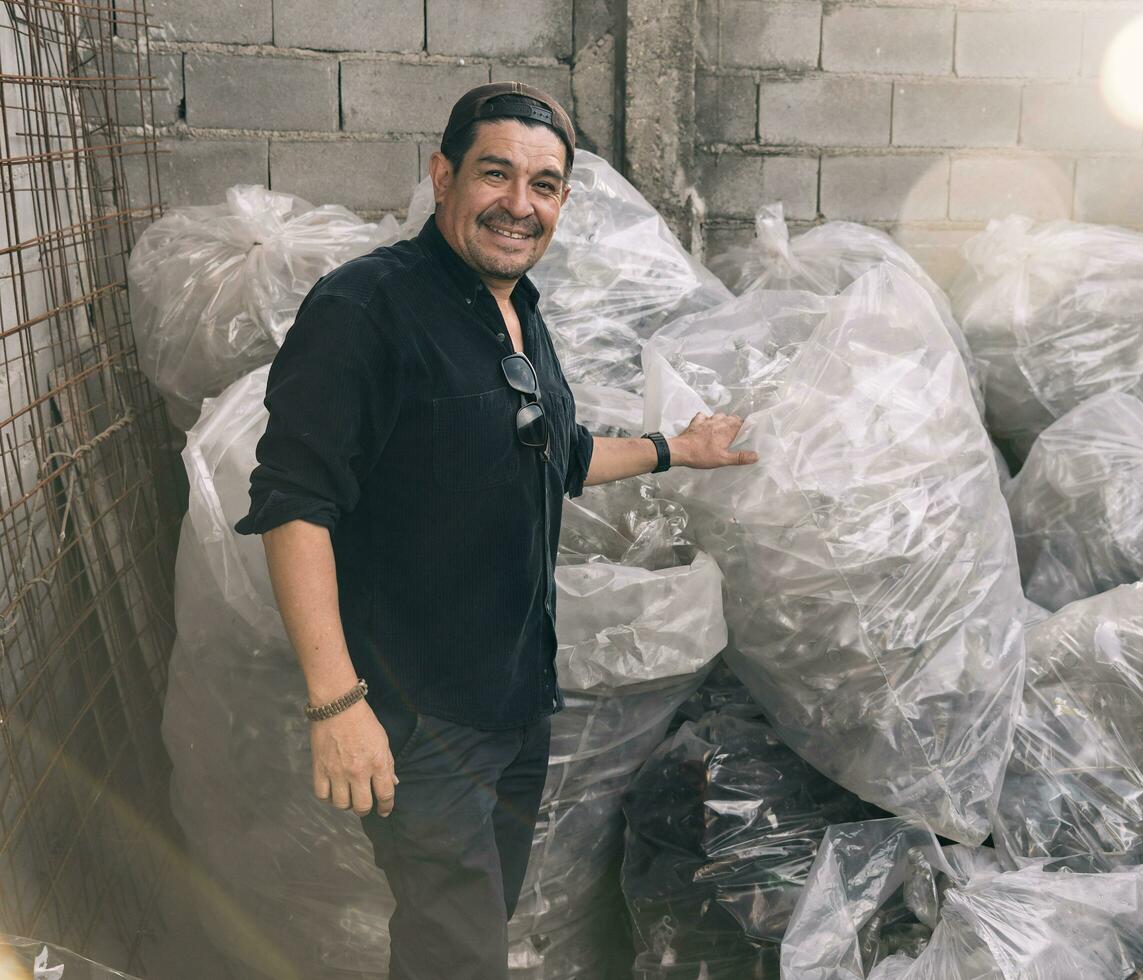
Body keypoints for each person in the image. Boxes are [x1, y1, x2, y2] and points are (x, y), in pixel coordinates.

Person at [233, 81, 756, 979]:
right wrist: (336, 701)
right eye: (496, 174)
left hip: (516, 704)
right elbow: (294, 502)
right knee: (460, 954)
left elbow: (554, 454)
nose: (520, 204)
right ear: (442, 177)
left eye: (544, 185)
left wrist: (677, 448)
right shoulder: (367, 309)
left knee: (464, 937)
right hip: (420, 717)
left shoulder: (520, 310)